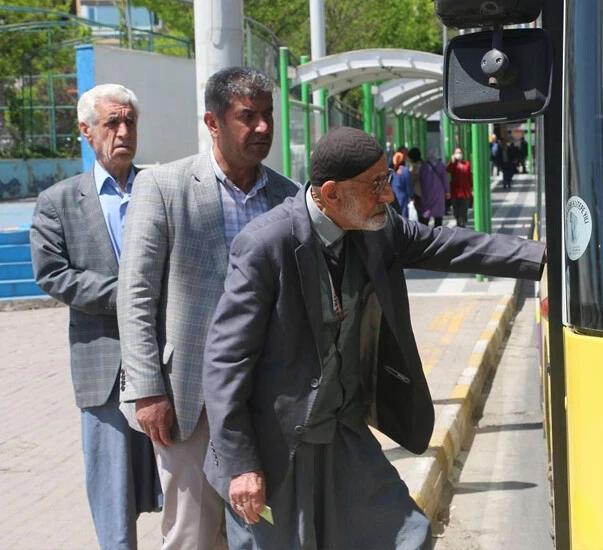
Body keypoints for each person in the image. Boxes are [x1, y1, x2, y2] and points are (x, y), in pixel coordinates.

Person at [202, 126, 547, 550]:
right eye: (376, 185)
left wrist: (546, 259)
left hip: (344, 435)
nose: (388, 196)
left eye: (386, 181)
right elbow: (225, 363)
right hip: (277, 450)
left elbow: (450, 245)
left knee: (408, 536)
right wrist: (240, 465)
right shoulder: (264, 247)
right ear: (330, 194)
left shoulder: (377, 229)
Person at [117, 67, 300, 549]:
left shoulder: (288, 197)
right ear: (212, 122)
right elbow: (135, 293)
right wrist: (146, 389)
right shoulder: (163, 186)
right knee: (192, 533)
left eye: (267, 115)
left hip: (267, 396)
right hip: (186, 399)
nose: (262, 127)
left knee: (263, 530)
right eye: (247, 116)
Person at [30, 83, 162, 550]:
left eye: (130, 122)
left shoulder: (161, 188)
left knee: (181, 485)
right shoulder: (59, 202)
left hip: (168, 361)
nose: (123, 131)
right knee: (112, 492)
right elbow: (53, 274)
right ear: (87, 131)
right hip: (102, 364)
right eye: (112, 123)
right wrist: (129, 296)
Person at [418, 150, 451, 226]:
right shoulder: (441, 166)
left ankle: (425, 231)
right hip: (439, 192)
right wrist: (447, 191)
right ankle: (438, 232)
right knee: (438, 214)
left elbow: (421, 179)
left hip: (427, 192)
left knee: (426, 212)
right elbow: (445, 179)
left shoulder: (424, 166)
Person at [446, 147, 473, 228]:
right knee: (456, 211)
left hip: (465, 192)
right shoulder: (453, 164)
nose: (459, 154)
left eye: (460, 152)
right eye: (457, 153)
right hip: (455, 192)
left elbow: (469, 176)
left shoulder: (467, 164)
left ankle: (462, 224)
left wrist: (471, 187)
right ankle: (459, 222)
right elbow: (448, 170)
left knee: (463, 210)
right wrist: (452, 161)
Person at [390, 151, 414, 219]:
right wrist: (411, 196)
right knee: (403, 218)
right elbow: (409, 186)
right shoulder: (405, 171)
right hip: (403, 198)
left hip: (393, 197)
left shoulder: (392, 171)